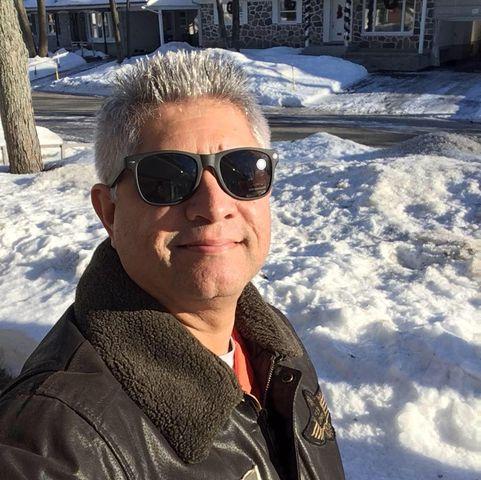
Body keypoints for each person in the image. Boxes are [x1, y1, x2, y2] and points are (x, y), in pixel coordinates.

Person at [0, 51, 345, 480]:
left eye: (243, 171)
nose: (214, 206)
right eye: (167, 178)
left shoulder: (271, 342)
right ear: (109, 212)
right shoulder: (55, 440)